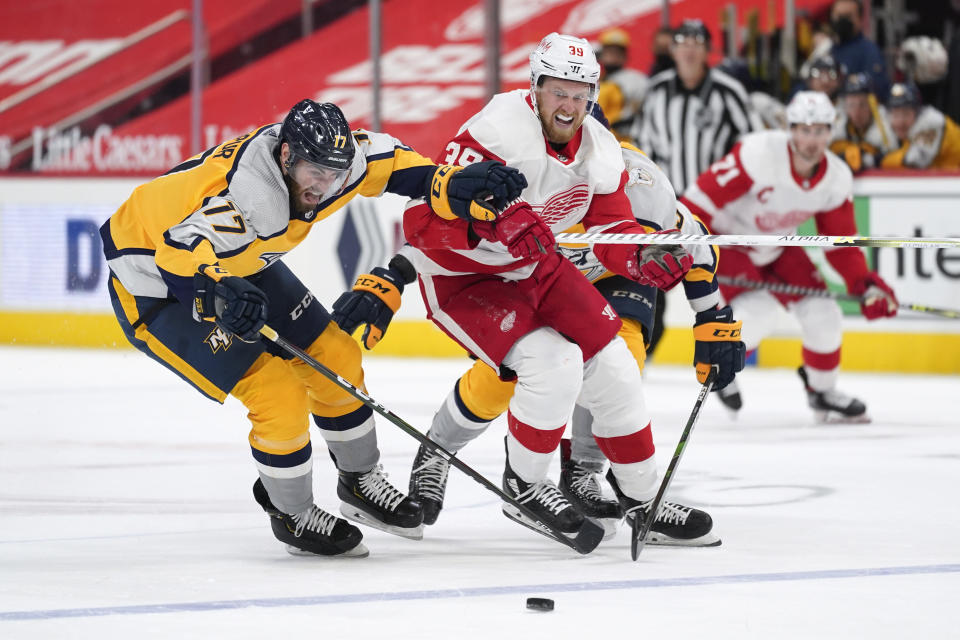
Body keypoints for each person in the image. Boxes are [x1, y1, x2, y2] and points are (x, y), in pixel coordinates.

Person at [99, 99, 527, 557]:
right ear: (286, 157)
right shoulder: (252, 196)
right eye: (314, 173)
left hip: (236, 260)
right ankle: (293, 514)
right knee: (276, 391)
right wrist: (221, 291)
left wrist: (447, 181)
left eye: (334, 174)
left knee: (336, 353)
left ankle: (360, 483)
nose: (324, 186)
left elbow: (392, 164)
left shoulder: (333, 165)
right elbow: (180, 253)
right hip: (157, 286)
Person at [393, 32, 739, 549]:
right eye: (559, 91)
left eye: (581, 95)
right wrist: (491, 225)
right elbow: (420, 220)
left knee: (617, 362)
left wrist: (645, 255)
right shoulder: (495, 132)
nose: (570, 106)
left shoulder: (606, 156)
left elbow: (615, 232)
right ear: (534, 88)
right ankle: (524, 482)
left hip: (540, 267)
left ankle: (643, 498)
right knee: (550, 364)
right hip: (467, 276)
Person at [680, 91, 899, 423]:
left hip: (780, 248)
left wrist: (863, 284)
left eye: (820, 130)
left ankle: (822, 393)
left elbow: (840, 245)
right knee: (759, 311)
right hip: (732, 245)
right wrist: (690, 249)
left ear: (831, 131)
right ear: (791, 128)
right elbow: (697, 203)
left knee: (824, 312)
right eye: (805, 130)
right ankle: (723, 366)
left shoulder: (836, 178)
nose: (812, 140)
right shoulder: (758, 153)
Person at [636, 19, 762, 355]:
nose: (689, 47)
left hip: (719, 210)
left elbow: (753, 147)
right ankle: (639, 358)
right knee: (650, 287)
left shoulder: (727, 92)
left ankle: (723, 355)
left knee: (719, 288)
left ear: (707, 49)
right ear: (673, 48)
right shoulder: (657, 91)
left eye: (697, 41)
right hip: (666, 210)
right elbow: (641, 153)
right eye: (682, 40)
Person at [881, 81, 960, 169]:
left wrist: (881, 160)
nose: (900, 121)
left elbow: (914, 161)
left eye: (906, 114)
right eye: (895, 115)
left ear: (917, 112)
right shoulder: (896, 129)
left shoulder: (931, 123)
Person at [830, 72, 897, 173]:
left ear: (873, 105)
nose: (857, 112)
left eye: (863, 104)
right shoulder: (835, 126)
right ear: (845, 106)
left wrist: (869, 159)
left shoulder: (888, 126)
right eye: (851, 105)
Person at [595, 27, 649, 143]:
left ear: (624, 55)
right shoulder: (595, 78)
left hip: (625, 143)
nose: (612, 55)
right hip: (598, 141)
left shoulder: (636, 80)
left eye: (617, 52)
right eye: (609, 51)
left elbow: (645, 110)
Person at [829, 0, 890, 101]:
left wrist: (839, 85)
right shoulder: (827, 48)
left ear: (860, 19)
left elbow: (878, 87)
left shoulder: (869, 51)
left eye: (848, 16)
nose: (843, 21)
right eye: (839, 16)